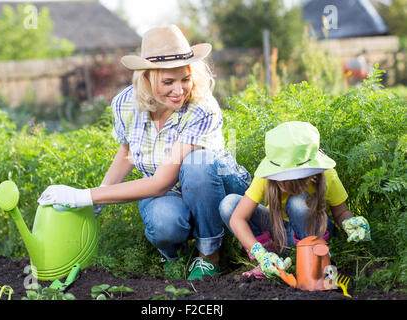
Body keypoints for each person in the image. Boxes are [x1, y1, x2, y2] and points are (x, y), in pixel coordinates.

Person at [37, 25, 251, 281]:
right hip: (168, 194)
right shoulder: (125, 104)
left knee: (197, 164)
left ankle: (210, 256)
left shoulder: (202, 108)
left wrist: (86, 197)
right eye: (168, 82)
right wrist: (99, 200)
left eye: (185, 78)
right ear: (147, 78)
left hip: (215, 189)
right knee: (164, 222)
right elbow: (127, 151)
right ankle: (174, 256)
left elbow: (161, 183)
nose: (179, 90)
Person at [219, 121, 371, 278]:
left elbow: (341, 212)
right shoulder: (265, 178)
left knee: (298, 201)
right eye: (285, 181)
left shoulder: (327, 175)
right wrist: (260, 254)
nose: (293, 187)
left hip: (314, 232)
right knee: (228, 204)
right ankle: (272, 261)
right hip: (281, 235)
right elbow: (237, 218)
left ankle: (315, 259)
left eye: (300, 180)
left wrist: (350, 223)